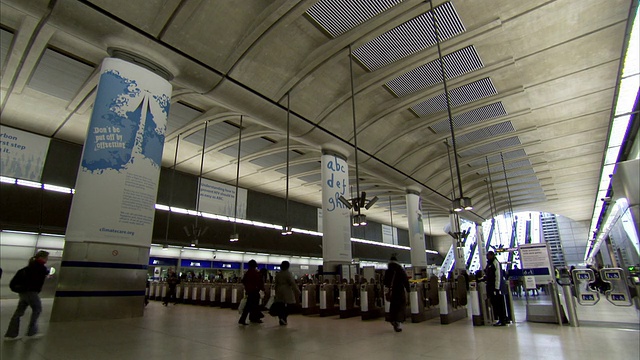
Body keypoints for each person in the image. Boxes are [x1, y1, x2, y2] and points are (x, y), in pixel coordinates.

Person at [4, 250, 49, 340]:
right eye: (46, 258)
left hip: (23, 293)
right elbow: (42, 276)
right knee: (37, 309)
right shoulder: (40, 267)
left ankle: (11, 334)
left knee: (18, 313)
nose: (47, 260)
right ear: (41, 258)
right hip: (31, 293)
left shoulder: (28, 267)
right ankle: (31, 332)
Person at [383, 255, 410, 332]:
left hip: (391, 292)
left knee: (393, 306)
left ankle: (392, 319)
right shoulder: (400, 270)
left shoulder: (388, 270)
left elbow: (385, 282)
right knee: (400, 306)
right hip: (399, 291)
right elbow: (405, 280)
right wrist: (408, 289)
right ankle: (398, 322)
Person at [273, 261, 301, 325]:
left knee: (281, 305)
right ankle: (283, 317)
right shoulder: (288, 274)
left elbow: (276, 284)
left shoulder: (278, 274)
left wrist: (276, 291)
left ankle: (282, 319)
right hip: (286, 290)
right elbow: (292, 283)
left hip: (279, 290)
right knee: (291, 304)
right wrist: (297, 291)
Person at [485, 251, 508, 326]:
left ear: (492, 255)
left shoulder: (495, 263)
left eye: (488, 255)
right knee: (494, 303)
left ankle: (503, 319)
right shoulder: (489, 263)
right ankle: (500, 318)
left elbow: (498, 276)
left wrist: (497, 288)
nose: (487, 257)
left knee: (499, 303)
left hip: (496, 288)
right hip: (491, 287)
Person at [239, 259, 264, 325]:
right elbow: (259, 283)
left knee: (249, 305)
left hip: (249, 291)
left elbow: (243, 281)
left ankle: (248, 318)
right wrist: (262, 289)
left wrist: (247, 288)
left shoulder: (247, 273)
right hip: (255, 291)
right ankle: (254, 318)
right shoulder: (256, 273)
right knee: (254, 305)